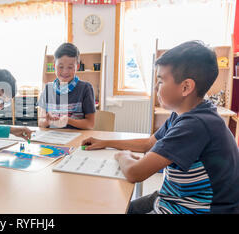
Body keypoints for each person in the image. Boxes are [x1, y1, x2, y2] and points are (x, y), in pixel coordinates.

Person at [81, 41, 239, 214]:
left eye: (160, 81)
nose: (155, 88)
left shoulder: (195, 125)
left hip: (197, 209)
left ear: (186, 87)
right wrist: (105, 142)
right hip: (177, 196)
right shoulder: (185, 113)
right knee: (123, 207)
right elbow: (149, 143)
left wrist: (122, 156)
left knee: (115, 206)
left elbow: (135, 173)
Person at [37, 43, 95, 130]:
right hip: (53, 138)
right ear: (54, 66)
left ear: (77, 67)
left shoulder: (85, 88)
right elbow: (40, 122)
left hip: (76, 139)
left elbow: (90, 124)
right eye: (60, 67)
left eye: (70, 67)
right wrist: (48, 121)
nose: (65, 71)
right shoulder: (48, 88)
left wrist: (68, 120)